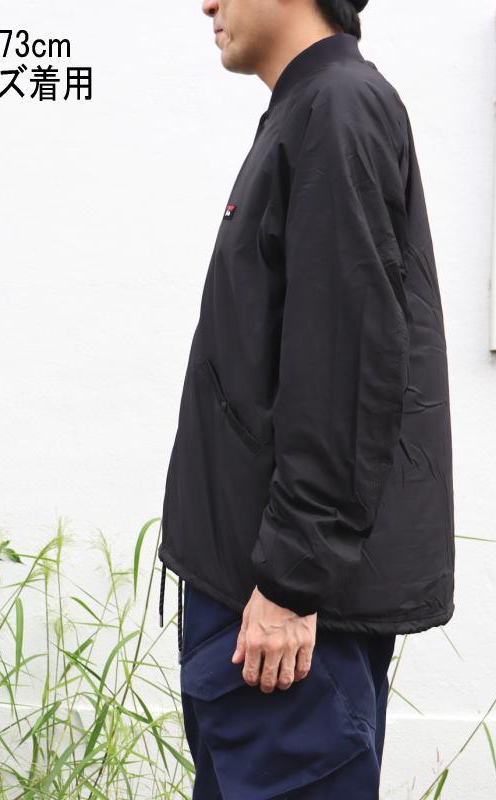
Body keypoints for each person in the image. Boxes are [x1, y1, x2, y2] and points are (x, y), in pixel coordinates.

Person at [158, 0, 455, 796]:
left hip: (285, 615)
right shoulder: (308, 108)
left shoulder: (337, 108)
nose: (207, 3)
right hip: (260, 596)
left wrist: (291, 581)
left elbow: (345, 361)